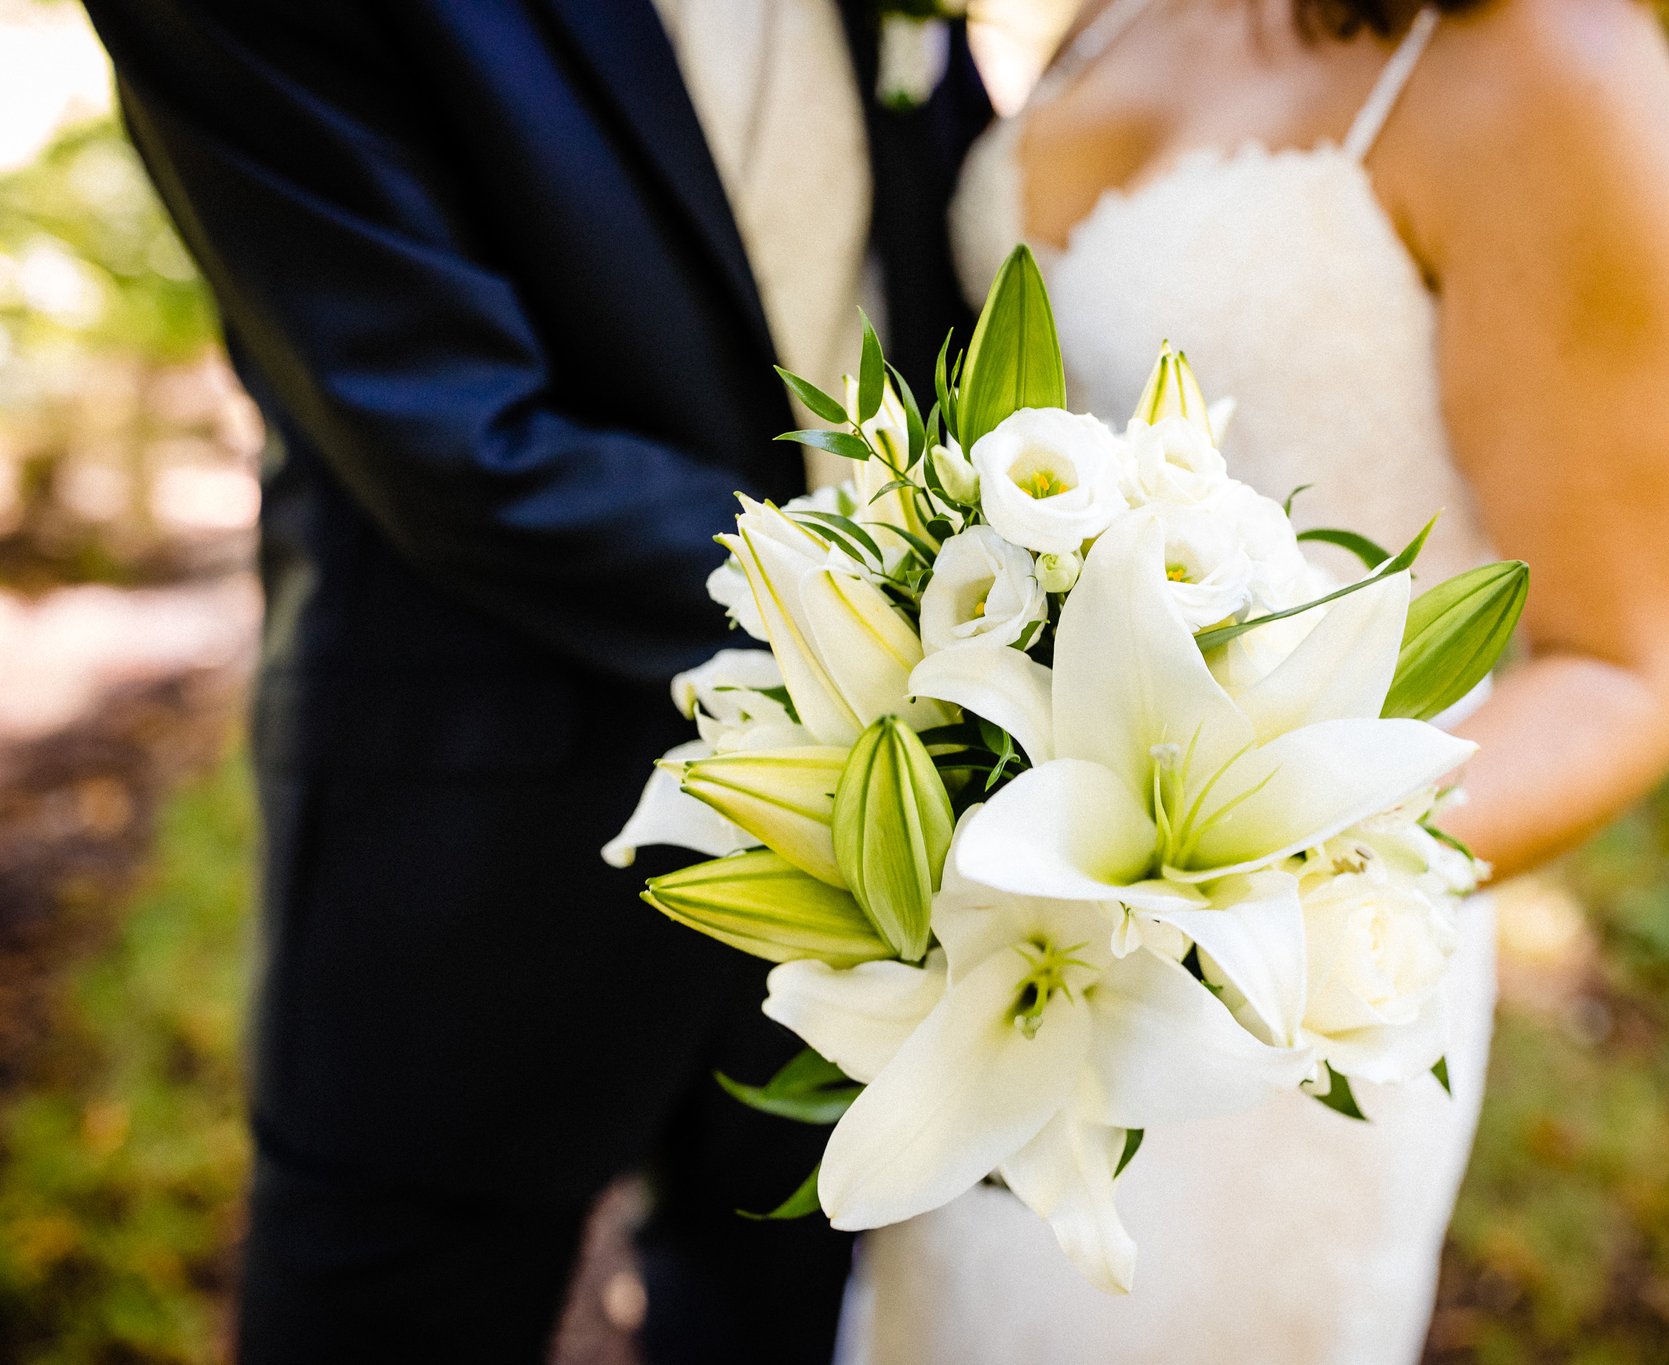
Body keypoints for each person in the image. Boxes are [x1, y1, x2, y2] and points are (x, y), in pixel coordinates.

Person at [76, 1, 989, 1360]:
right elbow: (452, 431)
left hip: (871, 842)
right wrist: (944, 609)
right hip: (478, 848)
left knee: (779, 1315)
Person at [838, 0, 1669, 1359]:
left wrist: (1216, 898)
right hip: (996, 947)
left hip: (1258, 1000)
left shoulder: (1560, 71)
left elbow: (1622, 674)